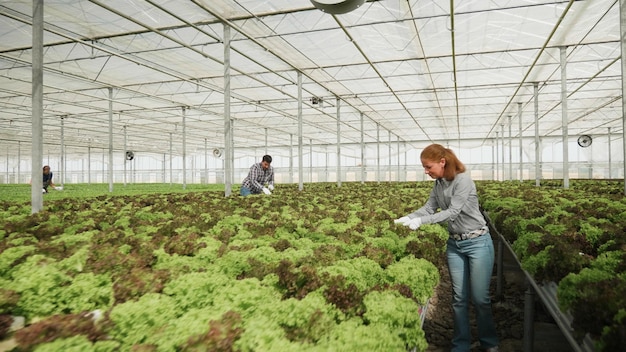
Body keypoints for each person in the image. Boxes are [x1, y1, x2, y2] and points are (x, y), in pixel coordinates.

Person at [394, 144, 499, 352]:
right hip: (455, 245)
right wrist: (409, 217)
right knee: (459, 298)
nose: (426, 171)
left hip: (478, 243)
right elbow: (429, 207)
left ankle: (490, 342)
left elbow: (453, 212)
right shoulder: (439, 183)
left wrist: (422, 222)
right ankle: (461, 344)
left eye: (428, 167)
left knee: (480, 298)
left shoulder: (463, 180)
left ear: (442, 162)